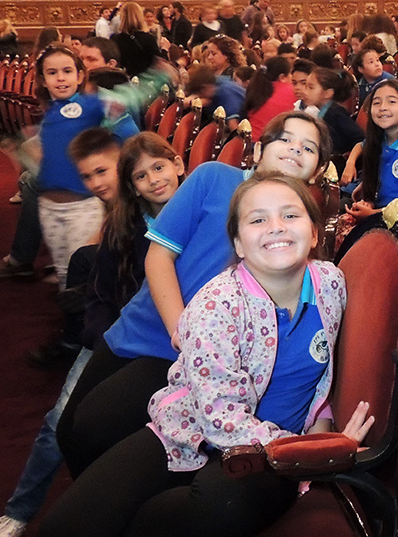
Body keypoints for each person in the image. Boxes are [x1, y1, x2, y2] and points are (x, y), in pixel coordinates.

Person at [41, 173, 375, 537]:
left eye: (290, 215)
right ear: (238, 243)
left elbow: (322, 375)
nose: (276, 227)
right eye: (258, 219)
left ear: (313, 233)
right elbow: (220, 418)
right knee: (68, 525)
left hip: (266, 456)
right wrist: (307, 449)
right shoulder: (215, 306)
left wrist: (319, 433)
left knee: (219, 506)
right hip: (193, 426)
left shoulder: (331, 284)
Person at [56, 112, 333, 479]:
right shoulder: (214, 177)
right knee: (69, 429)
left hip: (199, 360)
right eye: (285, 139)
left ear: (317, 170)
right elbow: (159, 256)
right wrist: (182, 331)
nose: (295, 149)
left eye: (308, 147)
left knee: (95, 428)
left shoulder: (294, 232)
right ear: (261, 147)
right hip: (152, 325)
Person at [0, 132, 185, 537]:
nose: (153, 180)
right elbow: (103, 291)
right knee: (61, 423)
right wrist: (101, 338)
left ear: (178, 165)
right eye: (140, 175)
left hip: (166, 346)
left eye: (159, 168)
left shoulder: (201, 218)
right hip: (115, 338)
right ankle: (22, 508)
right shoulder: (125, 220)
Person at [34, 47, 139, 291]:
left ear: (80, 76)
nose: (60, 78)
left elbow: (129, 98)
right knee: (64, 272)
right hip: (49, 207)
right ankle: (73, 317)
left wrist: (159, 76)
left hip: (81, 206)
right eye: (52, 73)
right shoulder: (52, 111)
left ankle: (86, 322)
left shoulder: (88, 104)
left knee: (84, 272)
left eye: (67, 71)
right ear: (43, 80)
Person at [340, 81, 398, 243]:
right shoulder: (379, 140)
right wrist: (367, 200)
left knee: (349, 239)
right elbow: (361, 147)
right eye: (377, 103)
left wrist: (374, 214)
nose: (383, 107)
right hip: (378, 209)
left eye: (391, 101)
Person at [304, 67, 364, 155]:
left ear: (328, 93)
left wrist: (351, 156)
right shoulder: (318, 112)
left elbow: (360, 139)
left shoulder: (336, 114)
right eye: (305, 86)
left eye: (311, 87)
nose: (305, 92)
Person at [244, 56, 297, 136]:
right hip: (269, 141)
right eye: (290, 74)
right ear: (282, 77)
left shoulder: (256, 87)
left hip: (248, 139)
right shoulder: (292, 91)